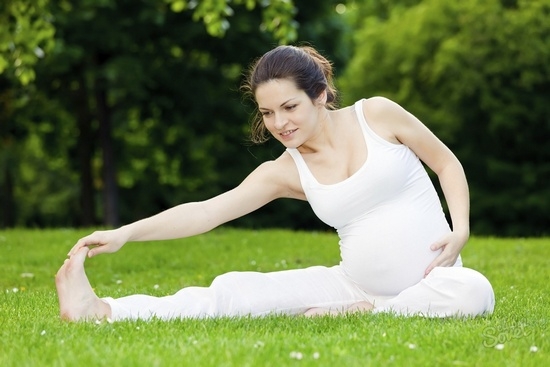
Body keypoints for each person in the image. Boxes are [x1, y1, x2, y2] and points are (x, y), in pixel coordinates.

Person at [55, 45, 495, 321]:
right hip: (350, 284)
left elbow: (447, 163)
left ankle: (373, 313)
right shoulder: (284, 170)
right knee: (235, 292)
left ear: (319, 95)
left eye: (289, 107)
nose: (279, 123)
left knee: (475, 291)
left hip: (436, 285)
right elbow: (207, 211)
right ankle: (103, 311)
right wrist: (125, 233)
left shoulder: (377, 115)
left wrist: (461, 228)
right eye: (267, 113)